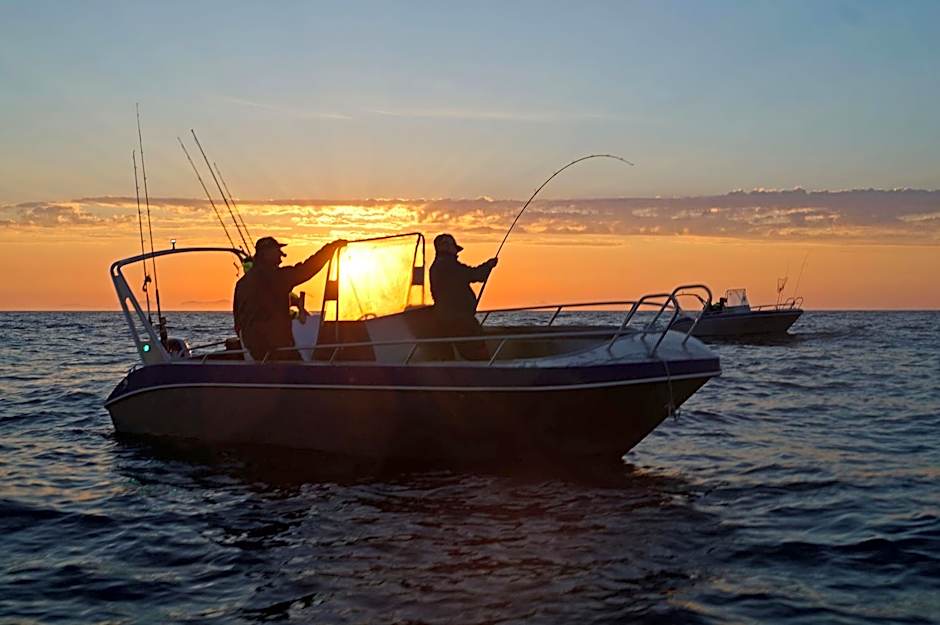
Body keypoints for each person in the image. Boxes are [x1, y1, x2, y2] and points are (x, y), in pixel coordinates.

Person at [234, 236, 346, 361]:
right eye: (277, 252)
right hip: (276, 349)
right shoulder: (277, 277)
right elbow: (306, 270)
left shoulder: (241, 284)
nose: (281, 256)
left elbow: (237, 321)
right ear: (266, 254)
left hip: (255, 350)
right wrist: (330, 249)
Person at [429, 233, 497, 360]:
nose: (455, 251)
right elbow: (475, 275)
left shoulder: (437, 267)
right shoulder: (449, 266)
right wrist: (488, 266)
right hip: (460, 320)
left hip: (444, 319)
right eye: (452, 246)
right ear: (444, 247)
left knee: (450, 358)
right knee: (479, 355)